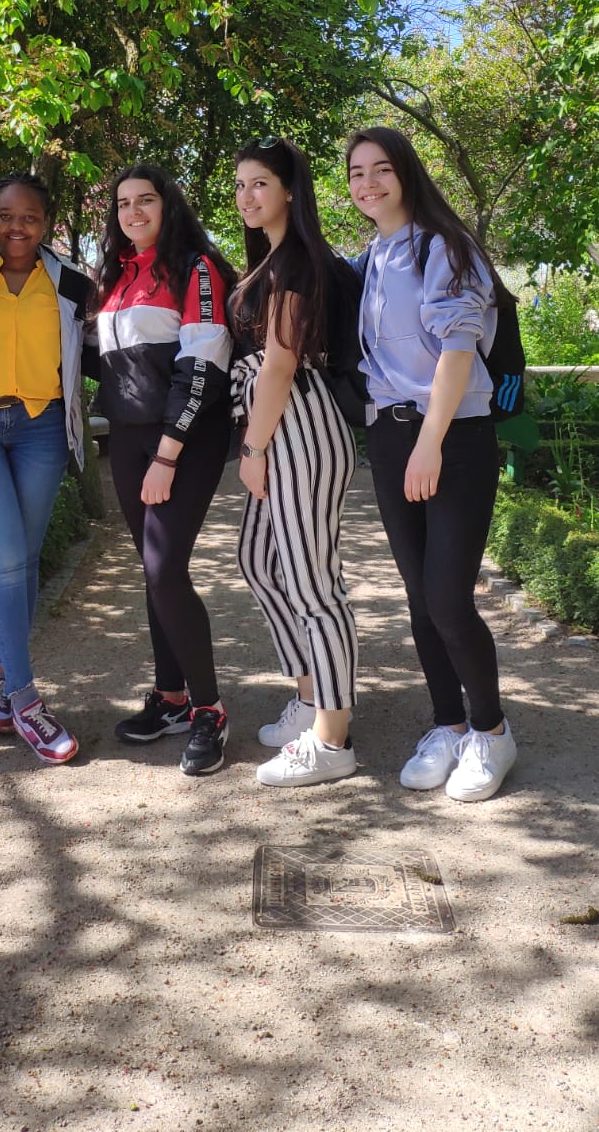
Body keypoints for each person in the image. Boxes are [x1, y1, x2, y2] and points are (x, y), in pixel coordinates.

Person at [346, 126, 517, 802]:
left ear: (407, 173)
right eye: (357, 173)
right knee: (419, 596)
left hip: (452, 436)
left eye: (381, 169)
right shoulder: (371, 257)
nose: (368, 184)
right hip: (391, 438)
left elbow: (457, 349)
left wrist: (429, 441)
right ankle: (449, 725)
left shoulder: (445, 246)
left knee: (448, 597)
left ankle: (491, 732)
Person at [0, 173, 93, 765]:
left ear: (45, 222)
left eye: (29, 217)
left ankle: (3, 687)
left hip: (41, 429)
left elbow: (97, 348)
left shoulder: (71, 281)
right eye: (6, 216)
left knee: (25, 560)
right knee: (4, 556)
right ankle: (27, 701)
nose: (17, 227)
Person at [92, 164, 235, 777]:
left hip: (181, 440)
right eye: (123, 204)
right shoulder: (114, 276)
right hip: (127, 439)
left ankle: (209, 710)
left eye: (145, 200)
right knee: (154, 573)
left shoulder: (196, 268)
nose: (133, 212)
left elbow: (203, 365)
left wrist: (168, 453)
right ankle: (171, 698)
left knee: (165, 570)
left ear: (168, 205)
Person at [231, 137, 358, 788]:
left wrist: (253, 449)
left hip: (298, 426)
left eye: (259, 183)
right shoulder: (270, 258)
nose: (246, 196)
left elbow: (280, 363)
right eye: (240, 185)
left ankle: (332, 740)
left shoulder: (299, 259)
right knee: (258, 561)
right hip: (279, 424)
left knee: (314, 587)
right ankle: (311, 697)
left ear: (288, 190)